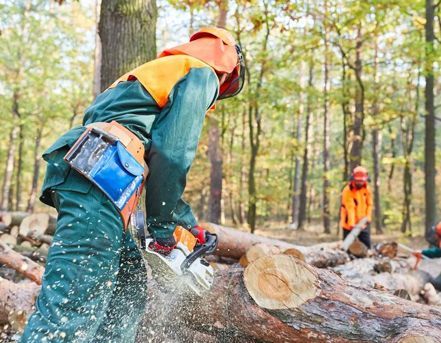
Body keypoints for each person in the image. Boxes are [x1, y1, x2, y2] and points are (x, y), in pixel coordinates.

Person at [21, 27, 245, 343]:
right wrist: (165, 229)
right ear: (228, 62)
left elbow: (149, 156)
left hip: (94, 177)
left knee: (129, 285)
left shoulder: (154, 76)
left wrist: (184, 223)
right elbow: (172, 154)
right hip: (98, 180)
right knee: (71, 308)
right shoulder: (201, 72)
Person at [340, 166, 373, 249]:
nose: (360, 183)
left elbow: (369, 204)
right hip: (348, 224)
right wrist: (352, 224)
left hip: (362, 223)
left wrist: (368, 217)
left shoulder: (367, 189)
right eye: (358, 181)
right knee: (347, 247)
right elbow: (349, 208)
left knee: (367, 246)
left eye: (361, 181)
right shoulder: (347, 190)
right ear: (353, 178)